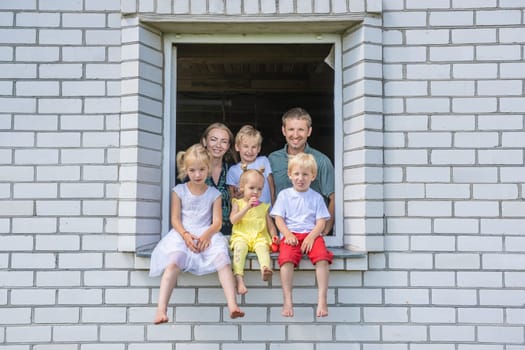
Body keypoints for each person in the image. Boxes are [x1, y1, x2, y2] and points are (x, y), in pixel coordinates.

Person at [149, 144, 244, 324]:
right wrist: (185, 236)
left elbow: (216, 222)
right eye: (192, 170)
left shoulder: (214, 193)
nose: (197, 174)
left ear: (208, 168)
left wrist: (206, 236)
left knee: (223, 260)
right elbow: (175, 219)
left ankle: (232, 305)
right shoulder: (179, 191)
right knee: (173, 262)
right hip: (183, 233)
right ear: (186, 170)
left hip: (206, 233)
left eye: (201, 170)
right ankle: (161, 309)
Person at [270, 153, 333, 318]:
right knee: (286, 260)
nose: (300, 178)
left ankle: (322, 299)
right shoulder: (285, 195)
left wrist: (312, 237)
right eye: (296, 174)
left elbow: (321, 222)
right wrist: (286, 233)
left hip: (311, 234)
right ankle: (288, 299)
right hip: (291, 234)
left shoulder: (316, 197)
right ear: (290, 174)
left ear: (313, 176)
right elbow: (278, 218)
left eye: (305, 174)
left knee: (322, 258)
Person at [268, 107, 335, 235]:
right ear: (283, 130)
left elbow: (333, 198)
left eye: (301, 130)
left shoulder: (321, 161)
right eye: (291, 129)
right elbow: (267, 195)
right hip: (283, 236)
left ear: (309, 131)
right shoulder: (272, 159)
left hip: (311, 236)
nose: (295, 135)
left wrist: (325, 231)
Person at [229, 169, 279, 295]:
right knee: (239, 250)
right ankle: (239, 279)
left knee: (263, 249)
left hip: (259, 237)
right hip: (242, 236)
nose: (256, 192)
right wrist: (246, 207)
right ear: (242, 188)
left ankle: (265, 269)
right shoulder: (238, 203)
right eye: (251, 188)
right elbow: (233, 220)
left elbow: (270, 225)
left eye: (259, 189)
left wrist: (274, 236)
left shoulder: (264, 206)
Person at [200, 123, 238, 235]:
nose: (218, 145)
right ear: (204, 142)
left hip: (230, 232)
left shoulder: (234, 171)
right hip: (201, 232)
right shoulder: (194, 171)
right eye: (213, 139)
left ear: (228, 146)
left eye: (224, 141)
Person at [226, 125, 275, 205]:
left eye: (254, 147)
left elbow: (272, 188)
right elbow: (233, 198)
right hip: (247, 215)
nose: (250, 151)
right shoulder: (233, 171)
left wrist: (273, 209)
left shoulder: (263, 161)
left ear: (259, 149)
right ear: (237, 147)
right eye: (245, 146)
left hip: (267, 212)